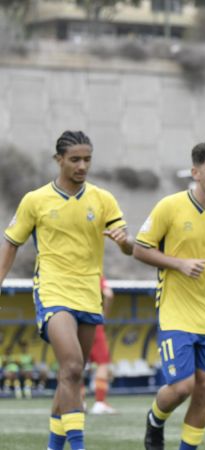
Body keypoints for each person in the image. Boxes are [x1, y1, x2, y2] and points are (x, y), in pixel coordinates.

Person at [0, 130, 133, 450]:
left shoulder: (103, 199)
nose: (82, 165)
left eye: (87, 159)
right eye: (75, 159)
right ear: (58, 159)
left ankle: (53, 447)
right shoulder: (35, 200)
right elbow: (11, 242)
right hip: (52, 291)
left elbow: (128, 244)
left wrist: (125, 242)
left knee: (71, 375)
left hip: (88, 294)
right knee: (72, 367)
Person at [135, 141, 205, 450]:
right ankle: (155, 419)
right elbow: (139, 249)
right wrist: (179, 264)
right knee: (182, 386)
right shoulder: (170, 207)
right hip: (175, 311)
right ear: (195, 172)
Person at [88, 276, 116, 414]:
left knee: (75, 362)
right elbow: (109, 294)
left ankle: (77, 402)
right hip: (93, 320)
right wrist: (104, 315)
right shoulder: (94, 272)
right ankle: (99, 402)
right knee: (102, 364)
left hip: (72, 321)